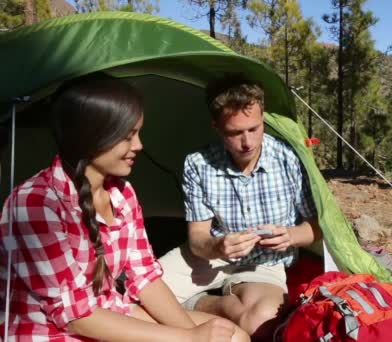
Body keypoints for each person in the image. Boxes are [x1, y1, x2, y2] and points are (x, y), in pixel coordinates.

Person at [0, 75, 249, 342]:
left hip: (111, 312)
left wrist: (194, 333)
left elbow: (144, 277)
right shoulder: (36, 203)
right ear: (91, 136)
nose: (139, 145)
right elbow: (76, 317)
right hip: (49, 332)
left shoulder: (121, 194)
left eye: (138, 133)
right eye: (128, 136)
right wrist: (188, 339)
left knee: (233, 337)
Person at [159, 75, 322, 339]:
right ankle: (203, 310)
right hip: (211, 258)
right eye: (235, 133)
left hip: (265, 262)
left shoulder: (288, 158)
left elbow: (317, 227)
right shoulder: (199, 164)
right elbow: (198, 239)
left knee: (262, 322)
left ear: (263, 118)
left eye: (254, 129)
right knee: (140, 294)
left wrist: (291, 235)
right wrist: (219, 245)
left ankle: (199, 304)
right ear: (217, 127)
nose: (247, 142)